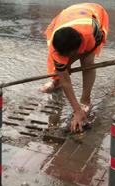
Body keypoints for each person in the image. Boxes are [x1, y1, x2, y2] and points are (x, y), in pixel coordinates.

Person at [41, 3, 109, 133]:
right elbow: (66, 80)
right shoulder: (55, 45)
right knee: (61, 68)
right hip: (68, 16)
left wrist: (80, 108)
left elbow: (88, 51)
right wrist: (62, 74)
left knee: (87, 62)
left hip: (94, 13)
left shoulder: (93, 32)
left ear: (77, 49)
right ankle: (56, 81)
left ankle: (86, 100)